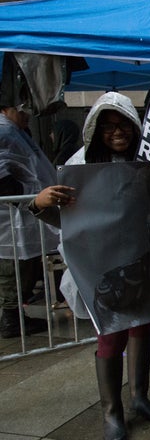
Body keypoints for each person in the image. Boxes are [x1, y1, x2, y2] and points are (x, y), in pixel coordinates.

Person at [30, 92, 150, 440]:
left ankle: (139, 397)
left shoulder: (147, 159)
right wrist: (37, 204)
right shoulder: (81, 166)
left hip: (142, 261)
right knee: (111, 336)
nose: (117, 132)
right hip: (103, 270)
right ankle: (112, 413)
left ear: (135, 128)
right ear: (95, 129)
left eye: (124, 125)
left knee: (141, 327)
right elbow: (67, 223)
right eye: (108, 126)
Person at [0, 102, 57, 339]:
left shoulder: (14, 131)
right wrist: (24, 196)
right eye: (21, 109)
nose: (27, 115)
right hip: (12, 219)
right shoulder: (4, 131)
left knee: (22, 267)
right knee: (12, 269)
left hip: (23, 214)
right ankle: (12, 319)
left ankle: (14, 316)